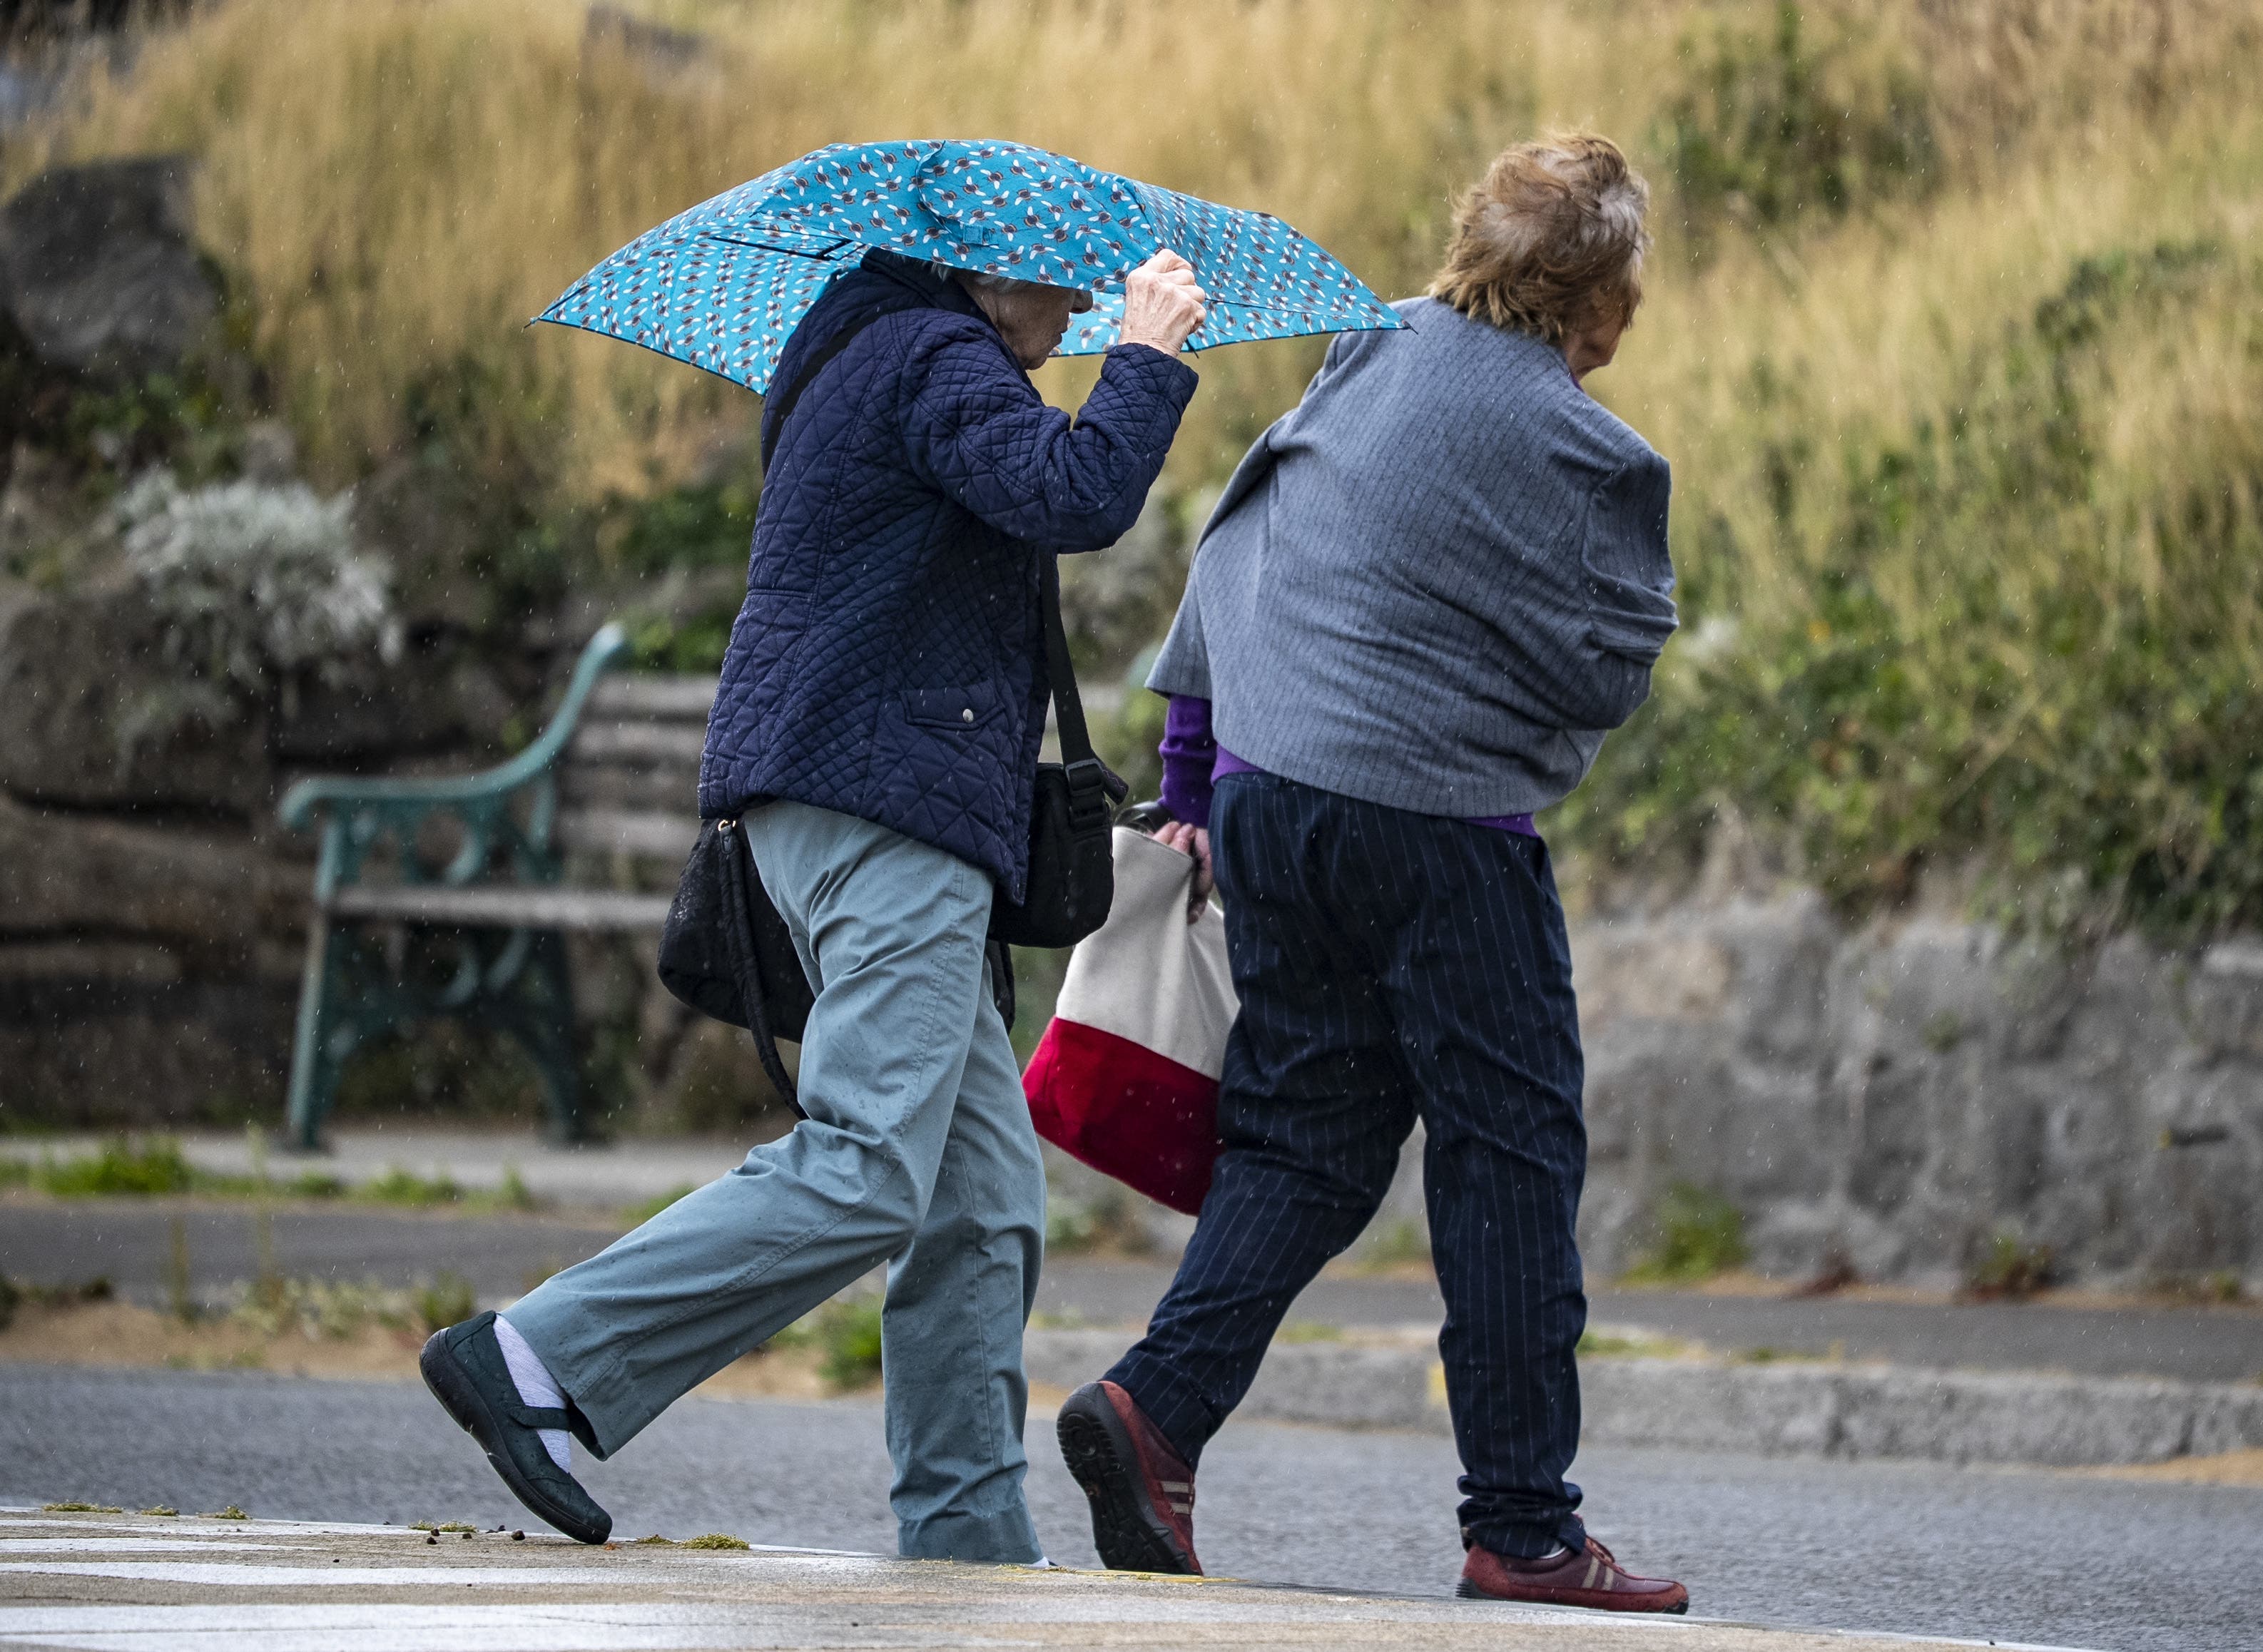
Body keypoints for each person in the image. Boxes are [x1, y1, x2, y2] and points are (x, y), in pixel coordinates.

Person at [420, 245, 1208, 1563]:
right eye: (1058, 290)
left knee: (979, 1200)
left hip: (874, 804)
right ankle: (537, 1353)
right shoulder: (934, 356)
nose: (1073, 315)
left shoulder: (884, 351)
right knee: (866, 1168)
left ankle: (966, 1542)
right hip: (880, 811)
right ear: (981, 273)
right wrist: (1149, 359)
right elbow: (1075, 493)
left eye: (1091, 301)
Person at [1055, 134, 1688, 1613]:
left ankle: (1156, 1410)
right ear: (1599, 301)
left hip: (1274, 804)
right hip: (1438, 830)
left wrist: (1195, 778)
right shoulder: (1591, 451)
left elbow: (1241, 538)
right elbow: (1606, 667)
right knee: (1508, 1157)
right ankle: (1524, 1529)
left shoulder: (1367, 347)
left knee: (1308, 1140)